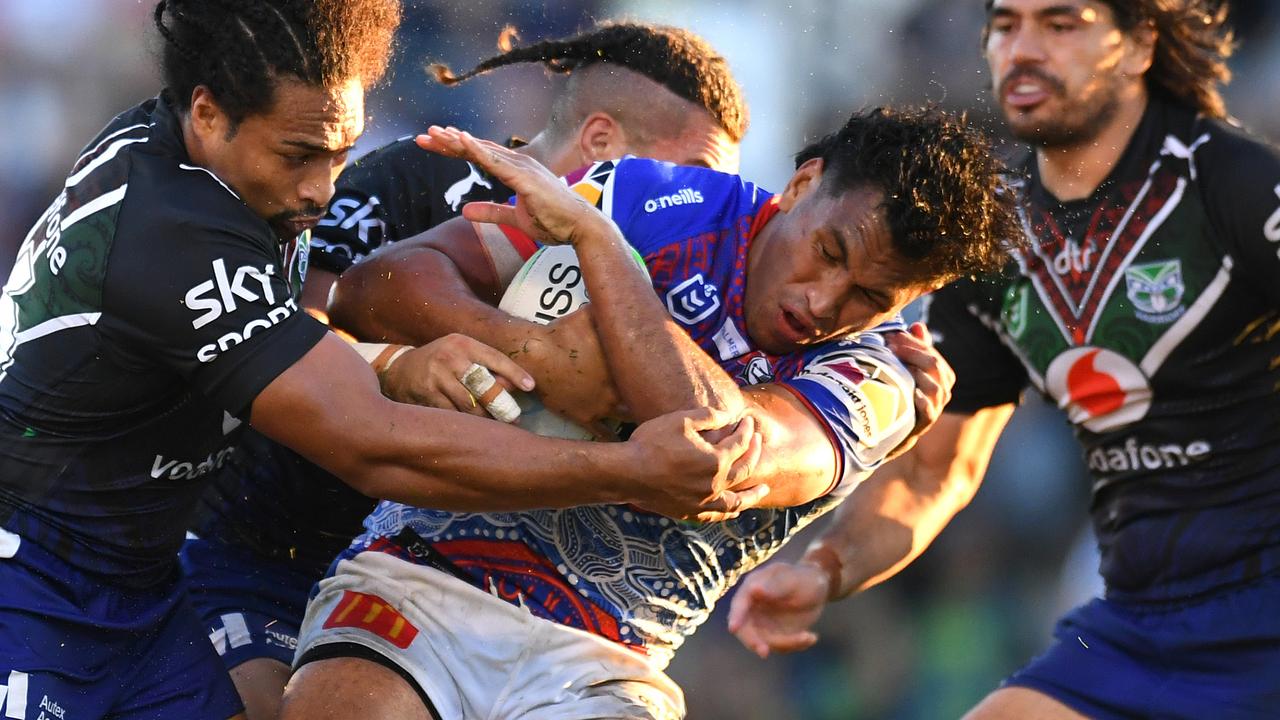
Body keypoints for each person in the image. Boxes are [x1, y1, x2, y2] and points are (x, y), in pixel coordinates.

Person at [0, 2, 767, 718]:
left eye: (339, 152)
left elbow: (284, 334)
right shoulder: (175, 231)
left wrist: (390, 359)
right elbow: (368, 439)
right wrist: (634, 470)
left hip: (138, 588)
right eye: (302, 154)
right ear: (208, 111)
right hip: (36, 580)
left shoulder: (224, 166)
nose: (323, 187)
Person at [279, 107, 1022, 719]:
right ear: (802, 184)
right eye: (829, 251)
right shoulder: (649, 200)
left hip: (606, 663)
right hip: (419, 577)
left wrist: (603, 252)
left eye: (871, 298)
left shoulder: (889, 378)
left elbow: (716, 457)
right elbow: (369, 291)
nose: (824, 302)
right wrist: (529, 351)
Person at [729, 1, 1280, 718]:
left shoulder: (1234, 186)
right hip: (1143, 627)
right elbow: (934, 474)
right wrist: (824, 570)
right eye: (1007, 23)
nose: (1023, 49)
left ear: (1140, 43)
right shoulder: (997, 243)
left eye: (1060, 24)